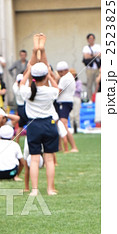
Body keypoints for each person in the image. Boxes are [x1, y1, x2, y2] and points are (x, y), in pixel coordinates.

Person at [20, 33, 59, 196]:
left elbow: (22, 82)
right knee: (49, 159)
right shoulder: (50, 91)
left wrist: (29, 70)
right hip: (49, 124)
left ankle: (34, 190)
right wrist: (49, 74)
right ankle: (50, 189)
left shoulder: (28, 92)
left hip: (34, 125)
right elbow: (56, 86)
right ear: (45, 76)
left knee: (34, 159)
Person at [55, 61, 78, 152]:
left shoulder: (65, 78)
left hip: (64, 102)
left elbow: (58, 91)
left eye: (61, 72)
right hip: (65, 102)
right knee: (60, 125)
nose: (60, 74)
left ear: (66, 70)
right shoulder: (69, 77)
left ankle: (73, 147)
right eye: (59, 72)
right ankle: (60, 147)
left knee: (63, 125)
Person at [82, 33, 101, 101]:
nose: (91, 40)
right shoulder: (86, 48)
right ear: (87, 40)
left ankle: (97, 99)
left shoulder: (98, 46)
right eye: (90, 39)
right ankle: (90, 99)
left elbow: (100, 54)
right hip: (89, 69)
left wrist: (91, 54)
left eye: (92, 38)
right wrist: (95, 55)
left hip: (97, 69)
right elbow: (85, 56)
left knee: (97, 84)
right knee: (89, 84)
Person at [12, 73, 28, 143]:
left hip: (19, 107)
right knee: (28, 124)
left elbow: (16, 83)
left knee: (20, 126)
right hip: (25, 107)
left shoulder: (15, 87)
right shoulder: (23, 89)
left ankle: (17, 142)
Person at [69, 68, 82, 134]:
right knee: (71, 114)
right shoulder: (68, 82)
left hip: (76, 98)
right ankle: (72, 128)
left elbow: (79, 89)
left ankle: (78, 128)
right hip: (70, 98)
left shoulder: (78, 82)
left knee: (77, 113)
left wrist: (74, 89)